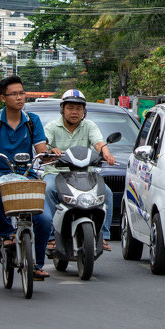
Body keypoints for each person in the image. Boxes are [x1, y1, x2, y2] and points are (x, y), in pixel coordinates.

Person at [0, 75, 51, 280]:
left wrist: (50, 154)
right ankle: (7, 232)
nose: (19, 98)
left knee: (44, 220)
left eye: (22, 93)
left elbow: (41, 149)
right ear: (3, 98)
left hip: (26, 174)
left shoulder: (32, 120)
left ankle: (36, 264)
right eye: (14, 94)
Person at [42, 89, 116, 252]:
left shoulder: (89, 125)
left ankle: (102, 235)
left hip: (84, 174)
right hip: (55, 174)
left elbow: (98, 142)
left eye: (78, 108)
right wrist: (51, 150)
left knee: (108, 193)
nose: (74, 112)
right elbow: (44, 146)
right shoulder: (52, 127)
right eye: (70, 108)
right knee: (47, 190)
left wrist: (106, 153)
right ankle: (51, 237)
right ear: (62, 109)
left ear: (84, 111)